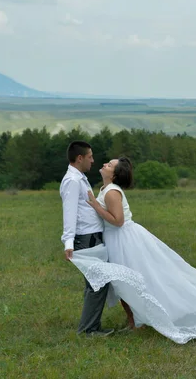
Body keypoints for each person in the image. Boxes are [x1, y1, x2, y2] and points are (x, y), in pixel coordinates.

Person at [80, 156, 196, 344]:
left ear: (114, 175)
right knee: (124, 283)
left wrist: (96, 206)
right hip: (116, 240)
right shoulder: (106, 188)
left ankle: (142, 321)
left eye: (109, 164)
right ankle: (134, 322)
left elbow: (118, 221)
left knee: (131, 281)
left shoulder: (112, 192)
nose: (104, 164)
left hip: (125, 240)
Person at [59, 141, 114, 337]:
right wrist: (69, 242)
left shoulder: (80, 178)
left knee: (96, 283)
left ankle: (92, 326)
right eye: (90, 156)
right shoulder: (72, 181)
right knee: (97, 284)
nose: (93, 160)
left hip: (92, 237)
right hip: (85, 238)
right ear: (80, 158)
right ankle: (88, 330)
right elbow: (70, 212)